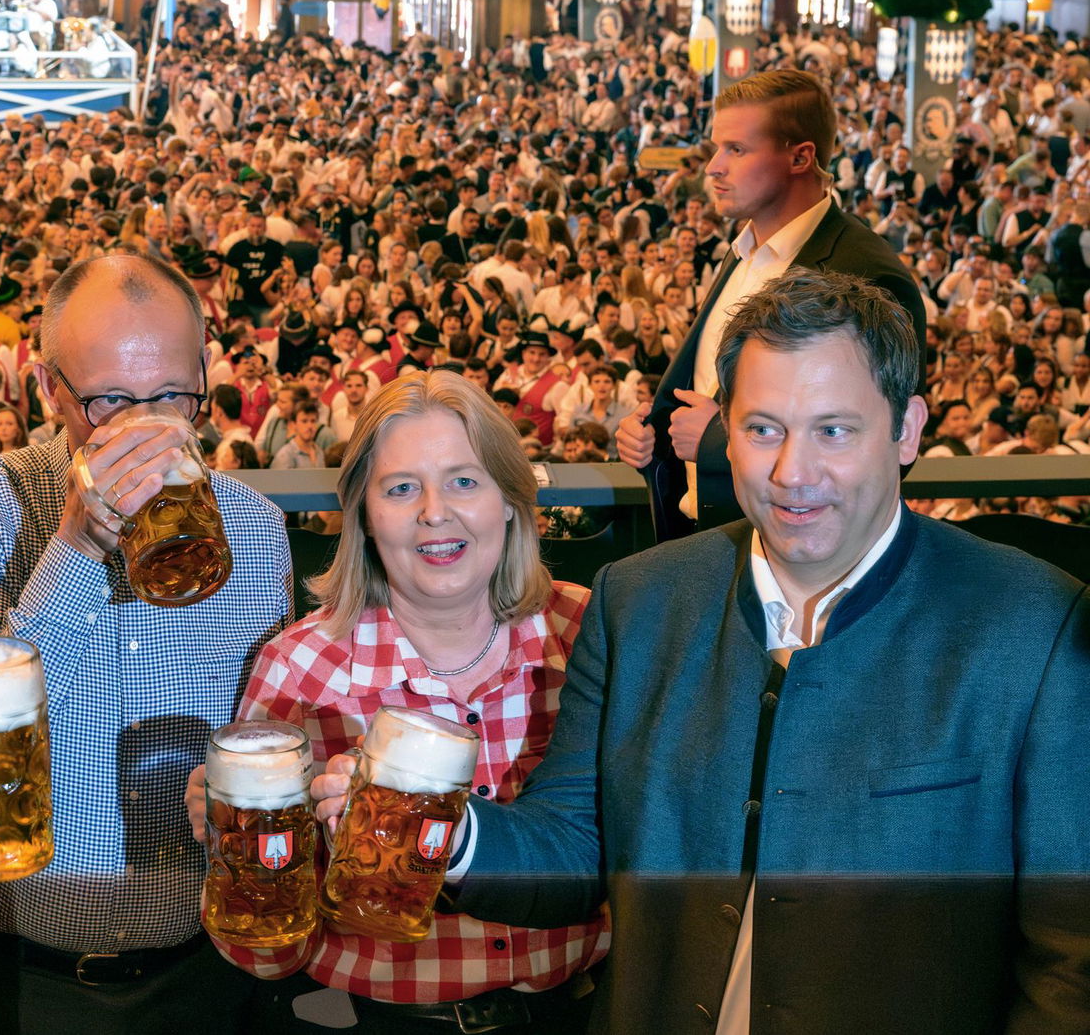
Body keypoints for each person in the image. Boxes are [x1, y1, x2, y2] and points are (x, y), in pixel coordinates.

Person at [313, 268, 1089, 1034]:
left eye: (834, 430)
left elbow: (1072, 958)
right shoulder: (640, 599)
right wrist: (442, 829)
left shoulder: (1033, 625)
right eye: (762, 430)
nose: (793, 473)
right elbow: (576, 847)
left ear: (908, 429)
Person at [0, 251, 293, 1035]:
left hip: (211, 970)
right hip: (26, 978)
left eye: (171, 399)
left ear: (205, 372)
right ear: (49, 388)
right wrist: (78, 547)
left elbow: (276, 735)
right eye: (109, 401)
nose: (142, 431)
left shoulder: (254, 528)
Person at [186, 370, 606, 1033]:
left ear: (510, 498)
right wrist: (241, 860)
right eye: (402, 487)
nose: (435, 510)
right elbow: (264, 956)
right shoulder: (300, 666)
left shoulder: (590, 632)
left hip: (579, 1013)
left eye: (465, 480)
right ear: (363, 515)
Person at [616, 69, 926, 540]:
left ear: (800, 156)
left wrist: (719, 443)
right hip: (707, 538)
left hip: (792, 551)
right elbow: (705, 397)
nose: (713, 167)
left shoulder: (864, 272)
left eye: (736, 150)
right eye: (718, 147)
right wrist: (651, 433)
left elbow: (884, 445)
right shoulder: (743, 252)